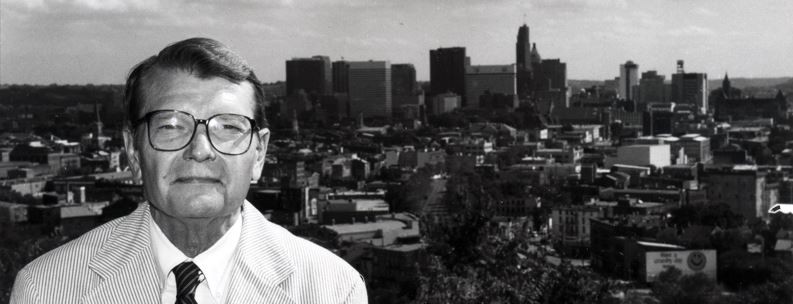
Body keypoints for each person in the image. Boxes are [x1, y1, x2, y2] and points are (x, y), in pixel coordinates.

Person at [11, 38, 367, 304]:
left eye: (228, 127)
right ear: (133, 153)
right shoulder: (47, 288)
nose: (199, 150)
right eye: (170, 126)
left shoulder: (332, 288)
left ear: (259, 153)